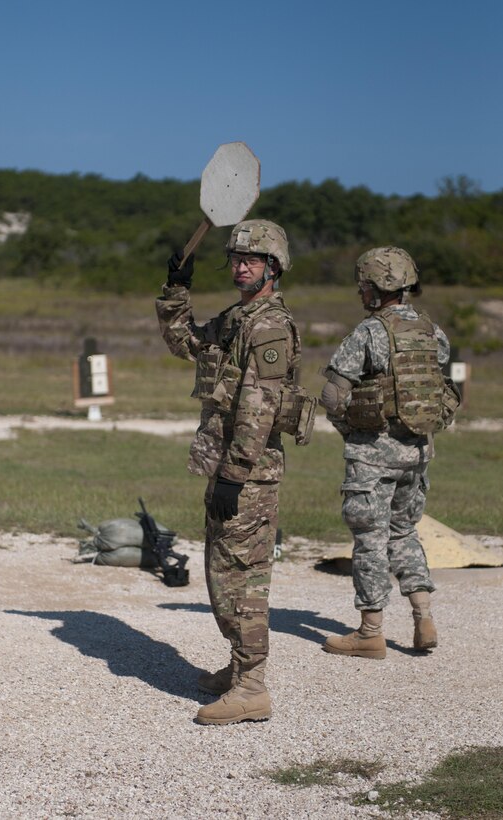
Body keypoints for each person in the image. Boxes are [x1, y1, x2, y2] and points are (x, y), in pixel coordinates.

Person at [156, 220, 309, 724]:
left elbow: (260, 406)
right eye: (237, 258)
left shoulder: (268, 326)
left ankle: (251, 687)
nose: (242, 266)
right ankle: (240, 667)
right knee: (222, 572)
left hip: (248, 472)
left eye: (253, 259)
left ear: (274, 266)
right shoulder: (237, 318)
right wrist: (177, 289)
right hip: (228, 465)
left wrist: (234, 474)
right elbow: (186, 343)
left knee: (240, 577)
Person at [319, 247, 459, 660]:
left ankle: (370, 632)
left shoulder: (369, 331)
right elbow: (442, 386)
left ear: (378, 288)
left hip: (372, 457)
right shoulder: (433, 331)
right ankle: (423, 617)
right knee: (404, 533)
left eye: (363, 285)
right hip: (417, 454)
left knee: (370, 540)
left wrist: (347, 426)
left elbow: (332, 394)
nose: (360, 292)